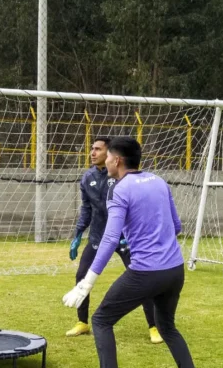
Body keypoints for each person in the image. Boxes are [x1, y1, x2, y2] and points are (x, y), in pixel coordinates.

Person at [63, 137, 204, 368]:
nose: (104, 160)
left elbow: (109, 238)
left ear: (116, 160)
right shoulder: (159, 182)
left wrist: (86, 283)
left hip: (145, 272)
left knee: (101, 320)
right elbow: (176, 226)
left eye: (108, 156)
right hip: (174, 270)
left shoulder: (120, 189)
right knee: (167, 327)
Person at [67, 137, 161, 344]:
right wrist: (78, 233)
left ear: (111, 155)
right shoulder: (87, 177)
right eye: (91, 148)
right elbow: (86, 208)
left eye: (98, 149)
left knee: (142, 278)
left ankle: (154, 326)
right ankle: (82, 322)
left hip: (124, 238)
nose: (92, 153)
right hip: (98, 236)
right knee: (82, 275)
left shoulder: (122, 178)